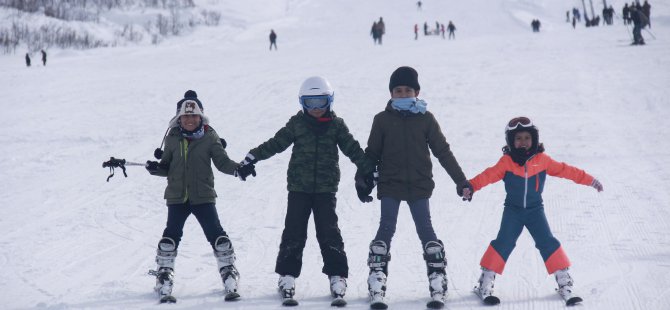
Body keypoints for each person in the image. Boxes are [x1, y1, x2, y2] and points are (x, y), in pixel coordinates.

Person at [235, 76, 374, 305]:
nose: (317, 109)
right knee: (294, 231)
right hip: (299, 188)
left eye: (321, 102)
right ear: (302, 104)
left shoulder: (337, 126)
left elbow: (354, 149)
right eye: (311, 103)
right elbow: (276, 143)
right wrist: (253, 156)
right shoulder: (297, 124)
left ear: (330, 101)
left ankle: (337, 275)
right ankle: (287, 276)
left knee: (329, 232)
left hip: (325, 189)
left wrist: (370, 171)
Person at [357, 66, 472, 307]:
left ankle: (437, 279)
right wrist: (362, 178)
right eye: (398, 90)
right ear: (391, 93)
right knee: (385, 231)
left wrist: (460, 181)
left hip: (419, 185)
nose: (403, 94)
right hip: (390, 184)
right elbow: (372, 153)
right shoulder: (382, 120)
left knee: (427, 233)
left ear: (417, 92)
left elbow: (442, 151)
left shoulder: (426, 119)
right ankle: (377, 280)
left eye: (408, 90)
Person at [463, 117, 603, 304]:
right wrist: (471, 186)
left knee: (547, 241)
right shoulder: (507, 162)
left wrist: (589, 180)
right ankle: (485, 283)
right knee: (503, 242)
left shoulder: (542, 160)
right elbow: (488, 175)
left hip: (535, 210)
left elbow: (565, 170)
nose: (523, 142)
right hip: (513, 210)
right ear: (511, 141)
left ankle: (564, 282)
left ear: (534, 139)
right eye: (518, 138)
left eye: (527, 137)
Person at [145, 90, 248, 302]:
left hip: (203, 197)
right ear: (178, 119)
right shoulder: (172, 139)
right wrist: (155, 168)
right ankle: (164, 276)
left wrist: (238, 168)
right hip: (177, 197)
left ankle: (229, 272)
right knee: (169, 238)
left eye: (194, 116)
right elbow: (166, 166)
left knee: (217, 236)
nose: (190, 120)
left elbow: (222, 162)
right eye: (185, 116)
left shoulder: (210, 137)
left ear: (201, 117)